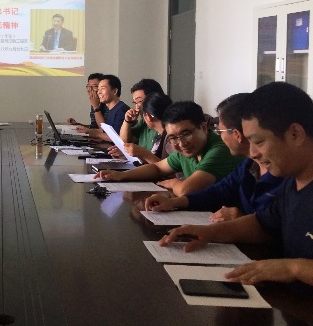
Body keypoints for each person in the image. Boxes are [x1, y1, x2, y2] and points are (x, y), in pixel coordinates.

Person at [159, 82, 313, 287]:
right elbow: (262, 224)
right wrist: (208, 232)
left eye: (259, 142)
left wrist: (293, 268)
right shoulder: (292, 183)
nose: (253, 153)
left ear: (295, 134)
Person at [145, 93, 283, 220]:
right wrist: (174, 202)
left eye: (220, 130)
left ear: (237, 134)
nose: (219, 136)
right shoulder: (248, 165)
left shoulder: (282, 172)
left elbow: (280, 226)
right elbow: (219, 191)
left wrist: (244, 219)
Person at [96, 101, 240, 196]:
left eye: (186, 134)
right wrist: (121, 175)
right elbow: (157, 168)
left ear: (203, 128)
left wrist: (173, 183)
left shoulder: (220, 149)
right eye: (173, 137)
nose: (181, 143)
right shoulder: (186, 150)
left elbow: (185, 190)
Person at [111, 92, 173, 164]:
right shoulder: (161, 134)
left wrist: (142, 153)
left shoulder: (171, 139)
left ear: (148, 117)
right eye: (135, 103)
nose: (137, 107)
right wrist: (126, 155)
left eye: (140, 101)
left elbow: (167, 167)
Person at [78, 74, 130, 142]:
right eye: (98, 89)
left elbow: (119, 138)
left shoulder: (120, 109)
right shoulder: (112, 109)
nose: (98, 92)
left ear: (115, 91)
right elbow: (106, 131)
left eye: (102, 88)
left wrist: (97, 134)